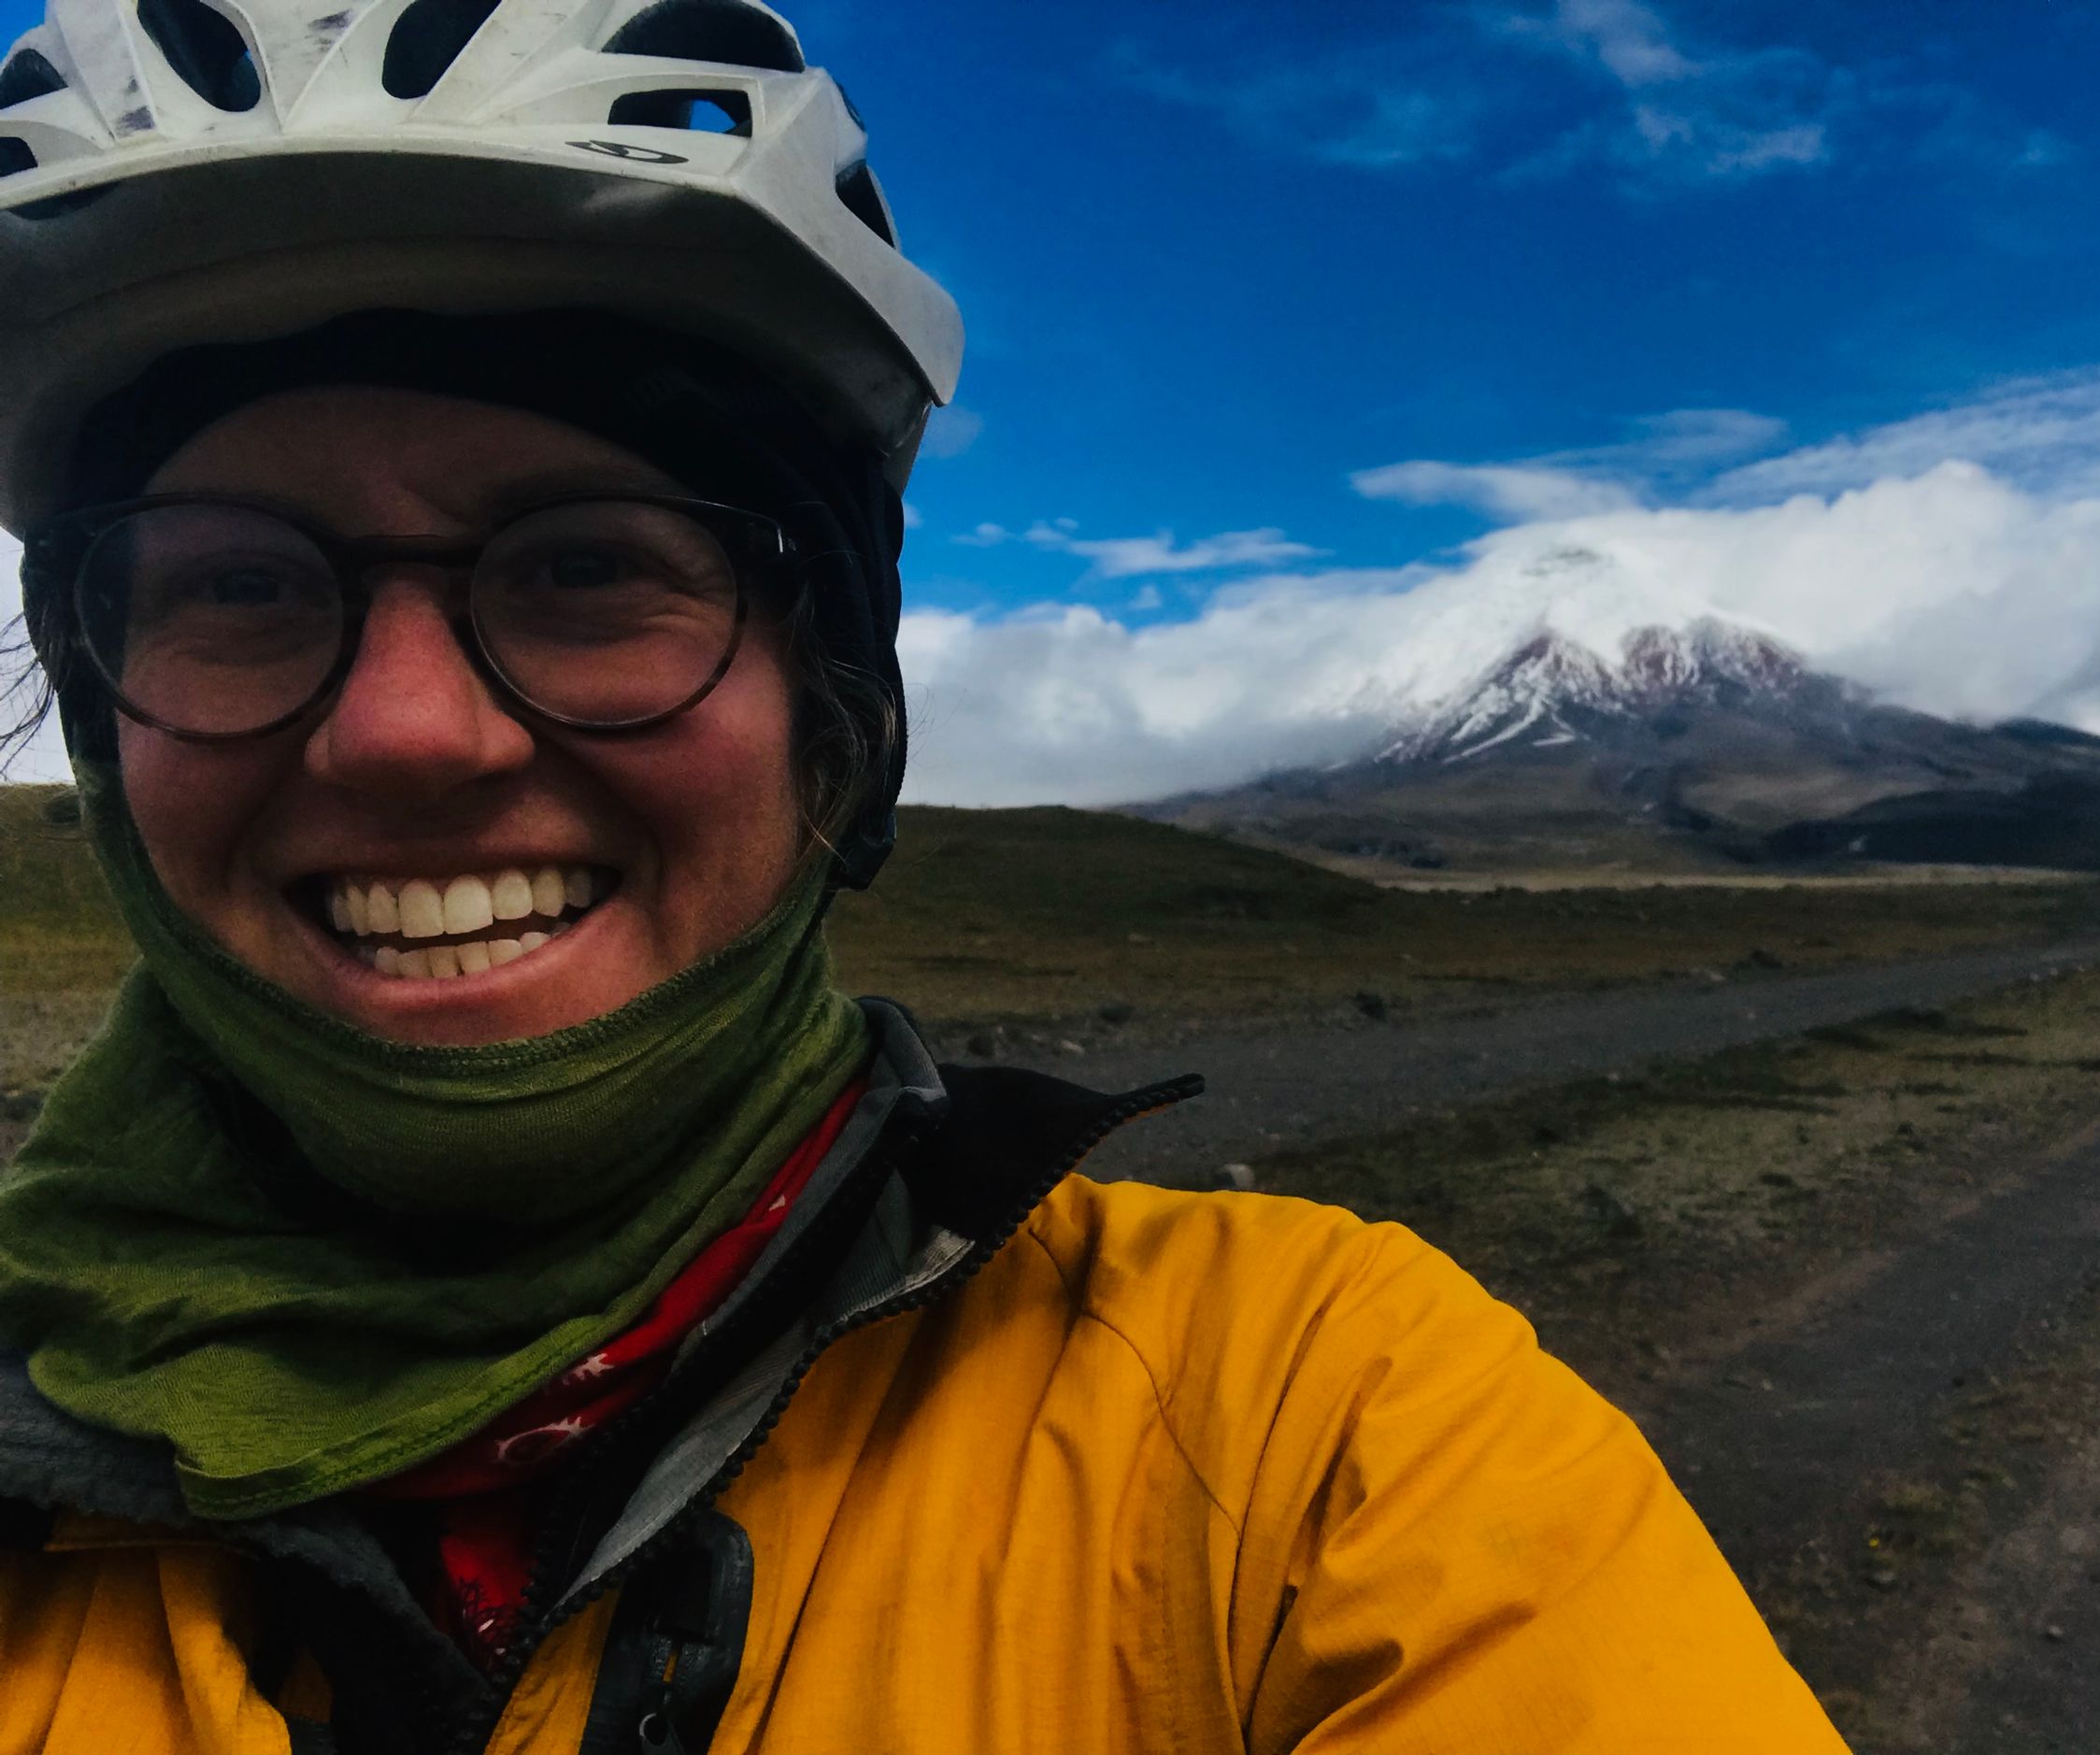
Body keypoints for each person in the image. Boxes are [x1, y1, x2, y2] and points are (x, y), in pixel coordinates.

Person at [0, 1, 1850, 1748]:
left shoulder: (1307, 1430)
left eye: (581, 571)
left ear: (833, 712)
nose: (409, 735)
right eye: (235, 584)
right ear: (100, 723)